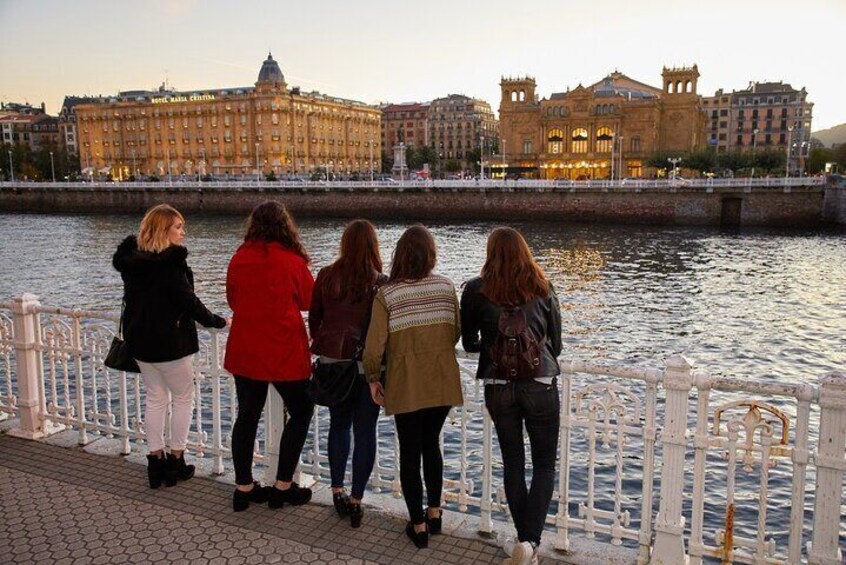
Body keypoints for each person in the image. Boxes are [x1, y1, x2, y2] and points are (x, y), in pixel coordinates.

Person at [460, 227, 562, 565]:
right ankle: (529, 543)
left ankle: (524, 544)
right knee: (544, 464)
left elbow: (469, 340)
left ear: (490, 252)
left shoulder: (476, 290)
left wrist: (488, 347)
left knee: (514, 464)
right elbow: (556, 344)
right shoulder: (543, 287)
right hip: (541, 382)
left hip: (498, 385)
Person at [112, 204, 228, 489]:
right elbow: (188, 301)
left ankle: (155, 463)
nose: (183, 232)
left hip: (140, 342)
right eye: (178, 227)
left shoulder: (131, 261)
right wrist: (216, 321)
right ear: (164, 230)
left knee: (155, 398)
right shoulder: (169, 264)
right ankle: (176, 460)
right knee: (182, 398)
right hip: (171, 343)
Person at [362, 225, 463, 549]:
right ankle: (435, 513)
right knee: (431, 444)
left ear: (400, 255)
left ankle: (417, 525)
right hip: (441, 379)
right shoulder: (446, 288)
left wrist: (373, 379)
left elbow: (374, 348)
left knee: (410, 451)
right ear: (431, 255)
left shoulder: (388, 294)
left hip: (406, 383)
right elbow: (455, 333)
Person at [224, 201, 315, 512]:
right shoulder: (291, 261)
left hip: (246, 348)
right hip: (283, 348)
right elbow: (308, 301)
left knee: (247, 416)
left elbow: (233, 301)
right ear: (285, 225)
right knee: (301, 410)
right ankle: (282, 486)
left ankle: (244, 488)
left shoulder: (239, 258)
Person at [308, 219, 387, 528]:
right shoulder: (381, 282)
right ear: (373, 245)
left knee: (338, 425)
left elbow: (315, 321)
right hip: (367, 367)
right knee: (366, 430)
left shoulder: (326, 276)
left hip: (332, 363)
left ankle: (337, 490)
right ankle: (356, 499)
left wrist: (329, 349)